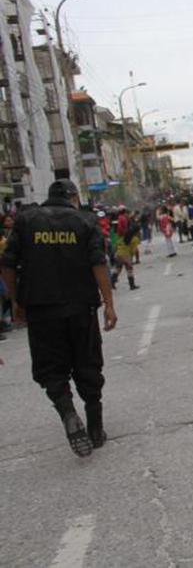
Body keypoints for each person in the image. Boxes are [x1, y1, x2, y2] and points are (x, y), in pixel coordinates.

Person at [0, 179, 117, 457]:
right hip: (80, 308)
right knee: (87, 363)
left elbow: (8, 264)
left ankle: (67, 412)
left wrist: (16, 301)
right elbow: (98, 262)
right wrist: (109, 304)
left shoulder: (26, 221)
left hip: (41, 309)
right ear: (74, 197)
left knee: (51, 369)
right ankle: (95, 427)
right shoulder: (85, 221)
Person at [111, 219, 141, 290]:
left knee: (117, 269)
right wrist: (131, 258)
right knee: (129, 270)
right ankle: (132, 285)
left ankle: (112, 283)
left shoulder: (123, 235)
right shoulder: (135, 239)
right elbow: (133, 250)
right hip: (126, 255)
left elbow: (117, 244)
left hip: (118, 254)